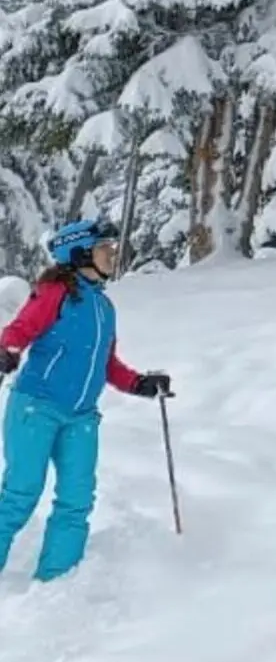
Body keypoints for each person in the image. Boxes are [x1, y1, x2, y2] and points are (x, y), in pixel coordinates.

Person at [0, 217, 172, 583]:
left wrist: (140, 383)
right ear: (78, 253)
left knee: (76, 501)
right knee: (20, 494)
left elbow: (106, 364)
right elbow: (20, 330)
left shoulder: (105, 309)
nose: (113, 255)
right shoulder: (54, 293)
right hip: (36, 408)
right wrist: (7, 352)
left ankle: (56, 582)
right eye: (104, 249)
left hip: (81, 418)